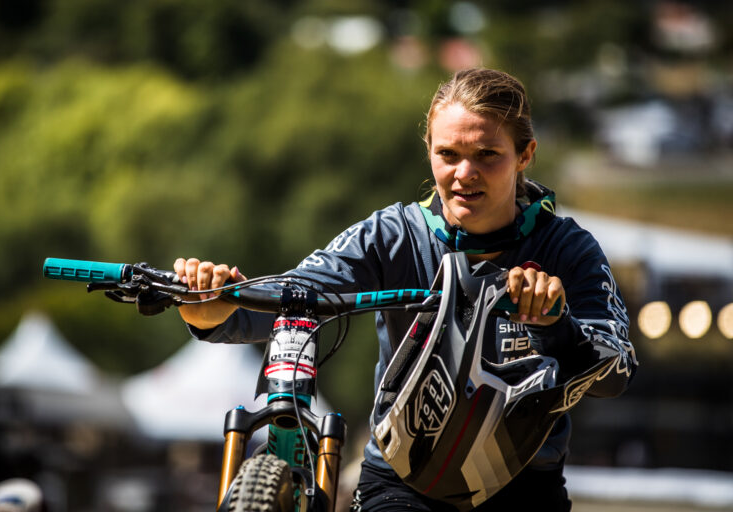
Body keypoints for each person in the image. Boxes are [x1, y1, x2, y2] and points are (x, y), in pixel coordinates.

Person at [173, 67, 637, 511]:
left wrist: (556, 325)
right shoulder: (390, 235)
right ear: (429, 150)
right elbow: (294, 296)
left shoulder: (568, 246)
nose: (465, 173)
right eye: (448, 154)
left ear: (526, 154)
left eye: (487, 155)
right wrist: (210, 307)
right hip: (403, 482)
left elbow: (615, 371)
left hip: (525, 484)